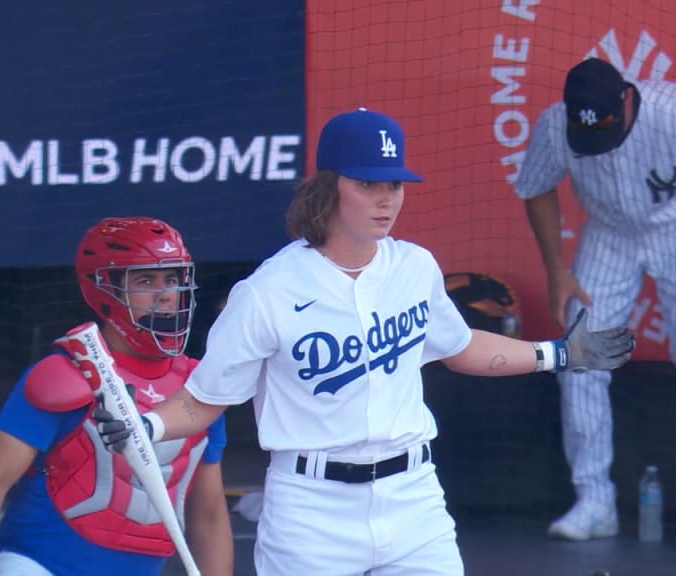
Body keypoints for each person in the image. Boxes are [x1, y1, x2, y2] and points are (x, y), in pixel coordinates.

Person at [94, 107, 636, 576]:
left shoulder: (415, 267)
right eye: (367, 184)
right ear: (329, 188)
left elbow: (459, 346)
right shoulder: (266, 292)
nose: (386, 200)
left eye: (393, 185)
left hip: (412, 494)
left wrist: (560, 354)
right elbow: (204, 398)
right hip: (311, 506)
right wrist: (149, 426)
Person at [514, 58, 676, 547]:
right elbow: (535, 188)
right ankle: (593, 500)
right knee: (578, 358)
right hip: (609, 234)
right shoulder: (555, 125)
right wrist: (557, 270)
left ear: (625, 99)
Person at [0, 217, 233, 576]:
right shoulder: (65, 373)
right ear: (105, 291)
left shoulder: (198, 387)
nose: (166, 294)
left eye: (174, 279)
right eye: (147, 280)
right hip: (36, 565)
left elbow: (207, 514)